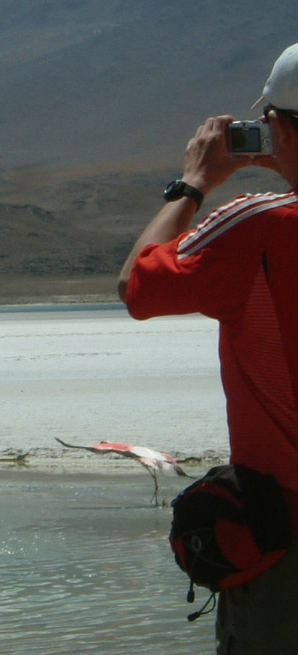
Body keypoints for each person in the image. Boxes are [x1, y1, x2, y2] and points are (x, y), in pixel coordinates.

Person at [119, 41, 298, 654]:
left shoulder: (261, 226)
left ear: (277, 131)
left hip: (287, 539)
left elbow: (139, 286)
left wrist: (194, 182)